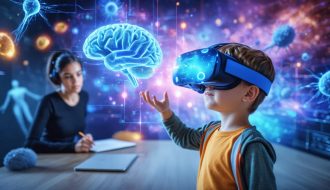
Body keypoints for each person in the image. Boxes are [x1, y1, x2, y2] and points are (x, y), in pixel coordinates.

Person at [140, 43, 277, 190]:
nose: (207, 85)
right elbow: (184, 138)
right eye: (207, 79)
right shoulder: (211, 131)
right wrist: (165, 112)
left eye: (220, 79)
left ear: (249, 94)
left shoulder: (251, 146)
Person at [25, 50, 94, 153]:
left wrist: (84, 139)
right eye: (68, 76)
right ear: (58, 78)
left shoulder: (84, 96)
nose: (76, 81)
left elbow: (79, 130)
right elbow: (30, 144)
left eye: (78, 74)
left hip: (70, 155)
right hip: (49, 159)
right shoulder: (48, 102)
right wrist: (73, 147)